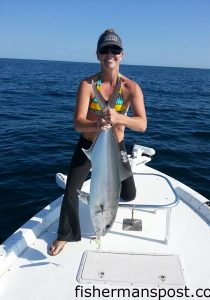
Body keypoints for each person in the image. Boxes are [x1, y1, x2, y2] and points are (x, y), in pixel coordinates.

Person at [49, 29, 147, 256]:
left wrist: (117, 118)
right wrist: (97, 125)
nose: (109, 54)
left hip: (116, 147)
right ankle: (65, 235)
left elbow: (142, 125)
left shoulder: (131, 88)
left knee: (129, 194)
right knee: (71, 190)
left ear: (122, 55)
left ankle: (100, 196)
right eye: (104, 50)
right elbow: (77, 123)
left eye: (115, 50)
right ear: (97, 54)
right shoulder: (87, 85)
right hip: (87, 146)